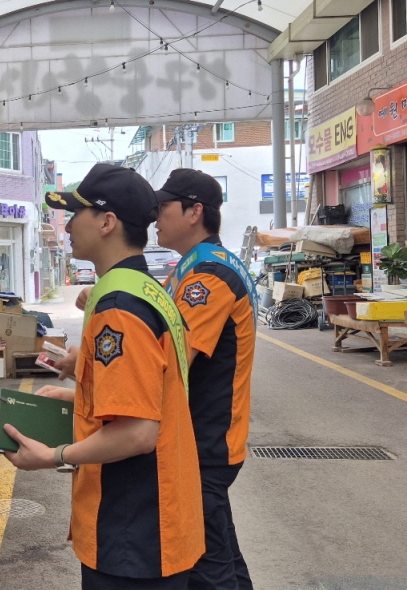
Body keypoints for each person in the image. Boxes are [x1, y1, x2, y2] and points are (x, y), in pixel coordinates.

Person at [4, 163, 204, 589]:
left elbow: (137, 433)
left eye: (76, 213)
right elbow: (151, 397)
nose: (67, 225)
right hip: (154, 518)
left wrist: (53, 456)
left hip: (135, 527)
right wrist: (81, 400)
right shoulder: (146, 291)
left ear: (107, 222)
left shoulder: (120, 308)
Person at [152, 169, 256, 590]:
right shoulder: (193, 267)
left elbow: (172, 357)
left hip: (204, 442)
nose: (155, 217)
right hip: (203, 438)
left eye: (163, 207)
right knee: (221, 555)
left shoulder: (209, 277)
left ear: (195, 212)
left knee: (204, 569)